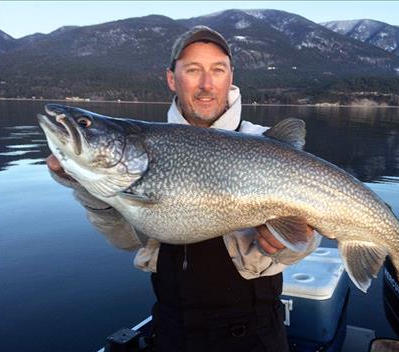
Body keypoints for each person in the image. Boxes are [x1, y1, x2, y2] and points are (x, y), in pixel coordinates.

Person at [47, 26, 321, 352]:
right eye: (193, 70)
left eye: (217, 70)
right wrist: (87, 187)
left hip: (255, 335)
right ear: (172, 79)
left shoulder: (266, 143)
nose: (207, 84)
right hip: (172, 332)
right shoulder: (145, 148)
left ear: (230, 76)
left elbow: (310, 235)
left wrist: (288, 243)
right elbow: (125, 240)